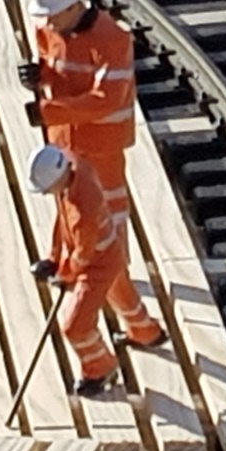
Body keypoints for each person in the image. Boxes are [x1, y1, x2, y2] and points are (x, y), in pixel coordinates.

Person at [25, 144, 164, 395]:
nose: (47, 194)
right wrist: (53, 259)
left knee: (75, 326)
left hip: (97, 264)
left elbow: (82, 257)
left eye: (47, 189)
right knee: (120, 295)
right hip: (109, 251)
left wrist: (62, 274)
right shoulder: (73, 165)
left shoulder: (83, 211)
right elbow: (62, 221)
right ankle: (146, 331)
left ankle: (100, 368)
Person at [19, 0, 135, 195]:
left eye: (53, 15)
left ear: (75, 7)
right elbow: (55, 69)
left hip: (101, 146)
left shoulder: (111, 39)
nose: (48, 23)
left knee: (107, 205)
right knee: (70, 205)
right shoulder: (49, 30)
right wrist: (39, 76)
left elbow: (106, 99)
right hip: (63, 142)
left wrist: (48, 112)